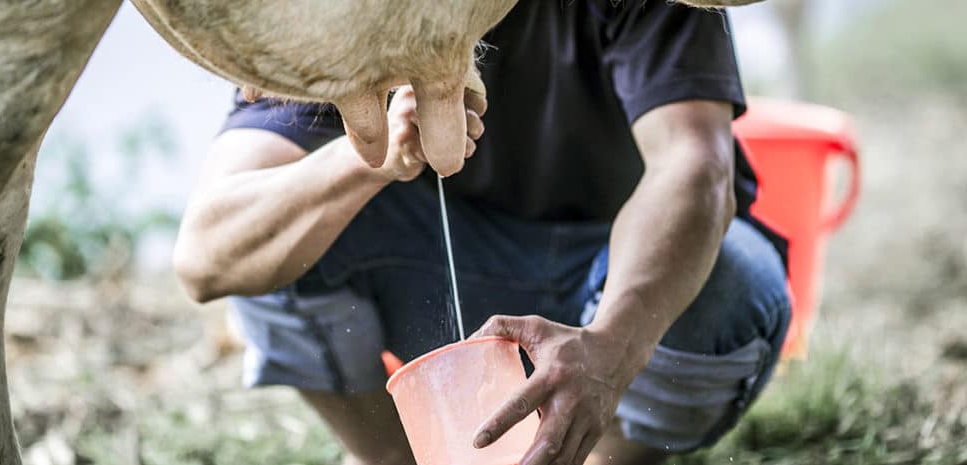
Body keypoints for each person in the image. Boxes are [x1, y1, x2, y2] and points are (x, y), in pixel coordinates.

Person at [173, 2, 791, 464]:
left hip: (617, 277)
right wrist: (368, 159)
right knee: (270, 243)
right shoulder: (340, 18)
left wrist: (613, 345)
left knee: (731, 281)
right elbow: (208, 254)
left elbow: (696, 166)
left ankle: (598, 453)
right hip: (451, 283)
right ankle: (399, 457)